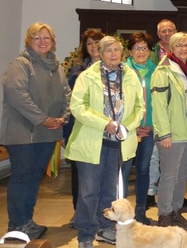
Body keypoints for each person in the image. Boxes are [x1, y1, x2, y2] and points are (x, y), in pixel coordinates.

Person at [65, 36, 145, 248]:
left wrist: (126, 126)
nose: (113, 54)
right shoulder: (87, 76)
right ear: (99, 53)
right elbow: (77, 106)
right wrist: (104, 123)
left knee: (111, 191)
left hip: (118, 143)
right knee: (88, 191)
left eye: (117, 50)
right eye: (108, 50)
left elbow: (140, 106)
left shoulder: (131, 75)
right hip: (92, 141)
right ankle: (85, 235)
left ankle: (105, 228)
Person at [1, 22, 71, 239]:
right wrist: (43, 119)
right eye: (37, 37)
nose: (42, 41)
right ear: (29, 41)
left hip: (47, 133)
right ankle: (16, 226)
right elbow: (17, 94)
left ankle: (27, 222)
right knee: (22, 178)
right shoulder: (20, 64)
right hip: (24, 134)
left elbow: (66, 94)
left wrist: (63, 117)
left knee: (33, 178)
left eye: (46, 38)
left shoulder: (56, 67)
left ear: (53, 42)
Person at [151, 32, 187, 230]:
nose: (184, 48)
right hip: (172, 134)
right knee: (169, 176)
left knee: (182, 175)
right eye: (179, 45)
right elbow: (158, 106)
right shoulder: (164, 71)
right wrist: (164, 133)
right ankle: (164, 214)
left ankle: (176, 211)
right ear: (171, 48)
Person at [62, 29, 105, 228]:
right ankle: (79, 213)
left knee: (102, 177)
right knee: (80, 176)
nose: (94, 47)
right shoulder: (78, 70)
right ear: (85, 47)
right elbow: (70, 102)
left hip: (105, 130)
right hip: (81, 129)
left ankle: (99, 213)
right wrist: (65, 132)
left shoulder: (113, 68)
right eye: (90, 43)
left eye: (97, 42)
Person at [121, 31, 157, 225]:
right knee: (124, 171)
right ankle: (123, 213)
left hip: (148, 130)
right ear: (129, 51)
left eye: (144, 48)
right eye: (137, 48)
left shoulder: (155, 70)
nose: (141, 51)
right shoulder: (122, 70)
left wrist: (151, 126)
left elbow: (159, 103)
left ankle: (141, 210)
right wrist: (132, 126)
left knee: (143, 170)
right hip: (127, 130)